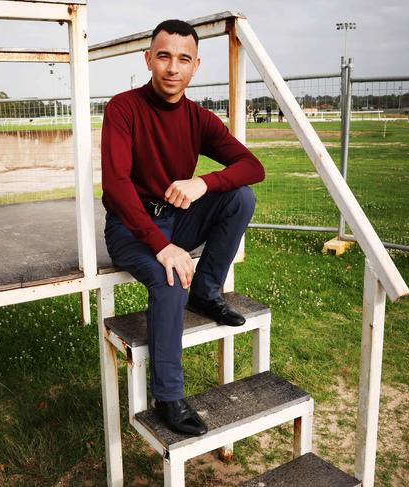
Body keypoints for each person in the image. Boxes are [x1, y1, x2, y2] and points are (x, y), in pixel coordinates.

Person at [101, 19, 265, 437]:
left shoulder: (198, 118)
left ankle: (207, 293)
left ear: (195, 66)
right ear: (148, 60)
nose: (173, 67)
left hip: (178, 220)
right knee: (170, 277)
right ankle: (168, 398)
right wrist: (162, 246)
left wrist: (203, 182)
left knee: (240, 196)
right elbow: (117, 187)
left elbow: (253, 167)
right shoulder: (123, 108)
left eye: (183, 59)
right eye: (164, 56)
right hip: (131, 228)